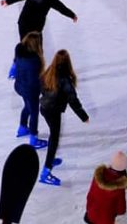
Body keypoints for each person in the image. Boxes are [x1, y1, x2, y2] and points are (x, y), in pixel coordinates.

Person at [39, 50, 89, 186]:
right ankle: (46, 171)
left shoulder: (48, 72)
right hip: (53, 111)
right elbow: (73, 100)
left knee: (53, 135)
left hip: (44, 108)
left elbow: (41, 88)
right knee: (54, 138)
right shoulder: (65, 80)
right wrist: (83, 116)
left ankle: (51, 158)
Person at [13, 32, 48, 149]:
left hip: (19, 86)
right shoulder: (34, 60)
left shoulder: (19, 50)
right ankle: (33, 139)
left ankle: (22, 128)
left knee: (27, 106)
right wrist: (43, 91)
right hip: (30, 89)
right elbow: (34, 81)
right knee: (34, 112)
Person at [84, 152, 127, 224]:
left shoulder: (98, 176)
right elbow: (121, 206)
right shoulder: (119, 186)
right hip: (106, 220)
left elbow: (90, 195)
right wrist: (120, 211)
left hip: (92, 214)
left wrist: (89, 209)